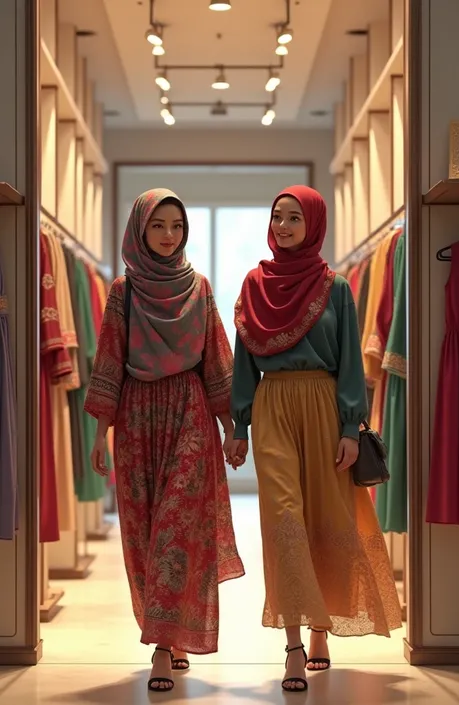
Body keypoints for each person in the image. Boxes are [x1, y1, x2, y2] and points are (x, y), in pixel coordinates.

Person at [229, 185, 402, 693]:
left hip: (326, 408)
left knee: (328, 518)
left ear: (313, 225)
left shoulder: (338, 287)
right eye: (277, 217)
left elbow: (351, 362)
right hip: (273, 407)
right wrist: (239, 426)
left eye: (293, 218)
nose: (283, 226)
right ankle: (292, 644)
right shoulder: (253, 284)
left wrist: (352, 427)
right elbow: (243, 364)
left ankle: (322, 626)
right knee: (284, 519)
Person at [85, 188, 245, 692]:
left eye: (177, 226)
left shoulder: (199, 286)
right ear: (140, 229)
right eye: (159, 226)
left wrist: (231, 428)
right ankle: (168, 634)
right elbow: (108, 362)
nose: (169, 235)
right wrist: (98, 434)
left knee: (177, 530)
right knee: (143, 536)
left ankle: (161, 648)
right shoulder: (122, 292)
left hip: (189, 415)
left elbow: (218, 359)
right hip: (135, 420)